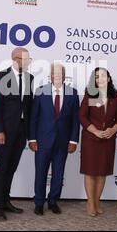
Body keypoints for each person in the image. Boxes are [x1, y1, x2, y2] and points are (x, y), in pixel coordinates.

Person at [29, 63, 80, 215]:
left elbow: (75, 120)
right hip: (42, 142)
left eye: (60, 74)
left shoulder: (73, 93)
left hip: (63, 142)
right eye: (54, 74)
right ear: (50, 76)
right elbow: (33, 118)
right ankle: (39, 202)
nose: (56, 76)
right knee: (41, 173)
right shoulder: (40, 91)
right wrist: (32, 139)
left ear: (64, 76)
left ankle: (53, 201)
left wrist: (73, 141)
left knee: (58, 174)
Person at [0, 47, 34, 221]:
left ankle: (6, 200)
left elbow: (29, 107)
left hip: (22, 131)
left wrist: (30, 134)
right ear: (15, 59)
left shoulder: (30, 78)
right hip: (5, 131)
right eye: (26, 59)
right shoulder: (1, 77)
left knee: (12, 167)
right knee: (2, 167)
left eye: (28, 60)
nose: (27, 62)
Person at [79, 67, 117, 216]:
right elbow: (82, 117)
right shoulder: (90, 94)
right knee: (90, 172)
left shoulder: (116, 97)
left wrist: (113, 130)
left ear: (109, 79)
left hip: (107, 139)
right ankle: (90, 203)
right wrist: (96, 131)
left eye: (103, 76)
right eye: (97, 77)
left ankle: (96, 201)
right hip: (91, 138)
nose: (100, 79)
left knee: (102, 173)